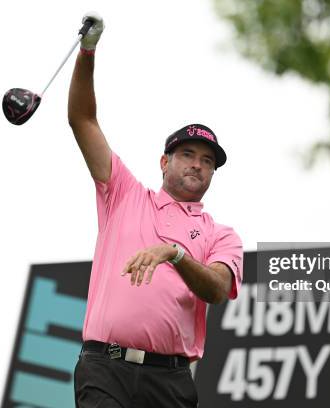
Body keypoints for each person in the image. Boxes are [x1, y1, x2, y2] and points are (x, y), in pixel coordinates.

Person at [68, 12, 244, 408]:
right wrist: (87, 51)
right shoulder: (125, 193)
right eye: (187, 154)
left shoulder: (221, 235)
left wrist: (174, 253)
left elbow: (217, 289)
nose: (197, 164)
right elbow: (83, 119)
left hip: (170, 378)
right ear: (165, 162)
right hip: (105, 367)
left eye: (207, 160)